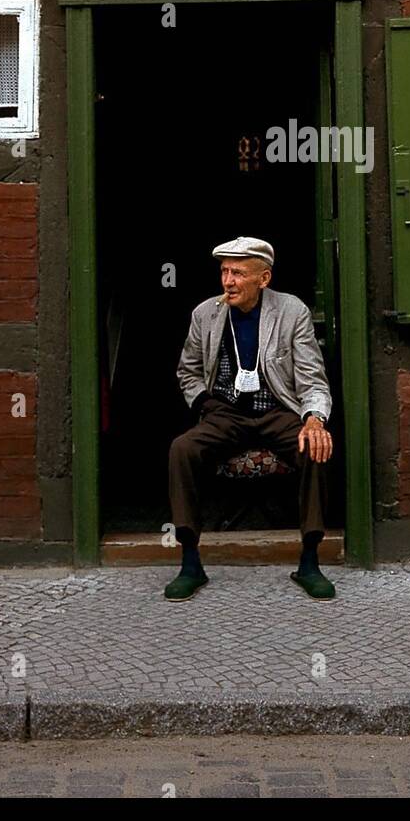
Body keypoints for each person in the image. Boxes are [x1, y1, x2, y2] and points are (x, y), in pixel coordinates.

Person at [168, 236, 335, 602]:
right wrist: (205, 406)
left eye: (239, 273)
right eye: (225, 272)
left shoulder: (292, 312)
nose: (228, 281)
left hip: (277, 409)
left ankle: (309, 560)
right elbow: (188, 371)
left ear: (264, 278)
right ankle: (190, 560)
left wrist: (314, 418)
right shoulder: (205, 314)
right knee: (183, 449)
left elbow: (312, 377)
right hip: (224, 412)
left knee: (314, 448)